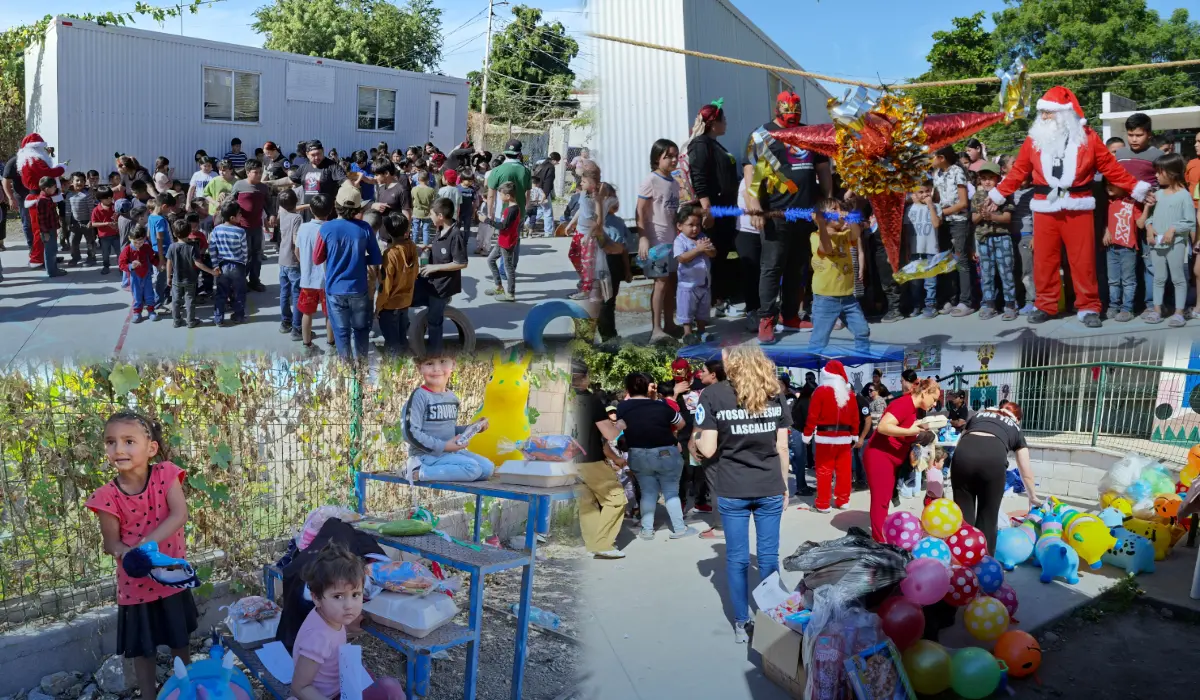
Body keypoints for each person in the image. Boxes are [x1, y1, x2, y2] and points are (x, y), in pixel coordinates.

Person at [989, 88, 1150, 328]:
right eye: (1042, 112)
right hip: (1045, 207)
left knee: (1083, 260)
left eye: (1047, 112)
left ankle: (1088, 307)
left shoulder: (1088, 137)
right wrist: (999, 193)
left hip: (1078, 206)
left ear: (1064, 114)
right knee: (1044, 260)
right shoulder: (1034, 139)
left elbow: (1111, 169)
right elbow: (1019, 170)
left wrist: (1138, 188)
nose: (1042, 117)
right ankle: (1045, 304)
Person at [85, 411, 197, 700]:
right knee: (143, 650)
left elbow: (179, 514)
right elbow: (111, 544)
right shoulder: (106, 496)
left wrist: (146, 546)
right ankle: (149, 695)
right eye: (111, 442)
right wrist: (130, 556)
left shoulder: (167, 474)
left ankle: (188, 688)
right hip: (136, 586)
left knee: (179, 640)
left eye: (128, 441)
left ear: (151, 448)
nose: (118, 449)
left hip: (170, 575)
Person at [695, 346, 790, 643]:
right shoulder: (775, 393)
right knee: (768, 557)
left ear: (732, 361)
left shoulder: (712, 395)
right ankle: (774, 618)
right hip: (769, 485)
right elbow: (782, 447)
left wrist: (695, 437)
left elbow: (708, 449)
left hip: (732, 488)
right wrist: (784, 486)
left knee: (736, 559)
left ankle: (741, 623)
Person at [744, 91, 833, 343]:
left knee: (799, 266)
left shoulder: (811, 134)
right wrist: (754, 208)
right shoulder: (761, 135)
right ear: (777, 111)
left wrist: (826, 201)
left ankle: (790, 315)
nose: (792, 121)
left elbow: (824, 170)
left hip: (805, 214)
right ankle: (766, 319)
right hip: (775, 213)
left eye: (796, 116)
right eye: (788, 117)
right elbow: (751, 174)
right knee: (772, 267)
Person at [291, 543, 405, 700]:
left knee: (374, 678)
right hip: (330, 695)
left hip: (341, 681)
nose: (349, 606)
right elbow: (300, 687)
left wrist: (350, 629)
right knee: (389, 689)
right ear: (316, 598)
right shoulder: (318, 638)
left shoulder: (330, 615)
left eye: (355, 594)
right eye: (338, 596)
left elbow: (333, 644)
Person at [617, 371, 696, 540]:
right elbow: (681, 424)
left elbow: (620, 426)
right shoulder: (662, 406)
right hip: (666, 453)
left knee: (647, 492)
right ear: (649, 387)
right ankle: (679, 529)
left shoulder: (622, 407)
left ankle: (646, 531)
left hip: (637, 454)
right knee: (671, 492)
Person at [951, 404, 1041, 552]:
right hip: (992, 462)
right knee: (988, 517)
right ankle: (984, 565)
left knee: (963, 516)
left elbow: (961, 441)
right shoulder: (1015, 428)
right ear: (1017, 419)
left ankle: (961, 561)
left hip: (962, 458)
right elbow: (1025, 470)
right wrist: (1032, 496)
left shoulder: (977, 416)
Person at [863, 379, 941, 542]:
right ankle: (880, 540)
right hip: (880, 456)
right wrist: (911, 431)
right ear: (925, 392)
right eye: (934, 399)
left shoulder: (914, 408)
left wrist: (919, 435)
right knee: (881, 500)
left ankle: (882, 534)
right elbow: (883, 427)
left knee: (883, 500)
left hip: (891, 457)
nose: (934, 404)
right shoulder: (905, 403)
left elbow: (904, 432)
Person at [312, 183, 382, 361]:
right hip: (359, 288)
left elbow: (317, 259)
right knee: (360, 329)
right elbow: (375, 258)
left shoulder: (326, 228)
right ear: (359, 208)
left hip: (335, 289)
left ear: (336, 206)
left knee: (341, 332)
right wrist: (358, 259)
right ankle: (362, 365)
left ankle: (346, 367)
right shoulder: (365, 228)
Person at [685, 99, 740, 318]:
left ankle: (718, 301)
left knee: (722, 254)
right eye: (723, 120)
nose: (726, 123)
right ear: (713, 123)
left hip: (726, 210)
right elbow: (699, 178)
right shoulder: (700, 144)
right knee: (711, 256)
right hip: (713, 210)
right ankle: (712, 303)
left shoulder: (715, 143)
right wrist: (707, 209)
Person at [570, 360, 628, 559]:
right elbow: (609, 435)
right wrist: (620, 425)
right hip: (590, 461)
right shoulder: (591, 400)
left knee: (587, 503)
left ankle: (593, 543)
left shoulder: (564, 399)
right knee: (616, 499)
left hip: (568, 462)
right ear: (585, 377)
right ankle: (603, 543)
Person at [404, 354, 495, 481]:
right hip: (426, 455)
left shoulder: (452, 397)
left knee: (487, 468)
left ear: (453, 364)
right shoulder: (420, 396)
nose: (437, 369)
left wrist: (472, 428)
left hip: (449, 452)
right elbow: (411, 434)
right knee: (472, 468)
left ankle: (438, 469)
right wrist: (444, 446)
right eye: (429, 363)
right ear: (419, 368)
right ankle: (418, 472)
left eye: (442, 362)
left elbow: (449, 429)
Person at [797, 359, 861, 513]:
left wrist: (807, 435)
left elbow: (812, 416)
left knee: (824, 471)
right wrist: (854, 434)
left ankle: (824, 503)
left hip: (825, 438)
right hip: (845, 438)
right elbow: (855, 417)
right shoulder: (849, 394)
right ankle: (843, 500)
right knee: (844, 471)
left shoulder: (820, 392)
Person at [808, 198, 870, 352]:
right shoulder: (815, 236)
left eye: (840, 208)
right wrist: (822, 225)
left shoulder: (845, 234)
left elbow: (856, 234)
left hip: (848, 296)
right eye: (834, 209)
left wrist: (851, 218)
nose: (839, 212)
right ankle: (814, 365)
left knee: (863, 331)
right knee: (820, 339)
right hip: (825, 298)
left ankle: (863, 357)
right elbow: (827, 249)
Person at [637, 139, 683, 342]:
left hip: (672, 238)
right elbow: (640, 210)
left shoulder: (674, 182)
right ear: (657, 158)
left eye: (676, 156)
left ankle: (670, 324)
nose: (674, 160)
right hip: (656, 238)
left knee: (671, 282)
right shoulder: (651, 180)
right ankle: (656, 329)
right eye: (668, 157)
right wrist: (643, 237)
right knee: (661, 282)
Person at [1144, 153, 1196, 327]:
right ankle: (1157, 309)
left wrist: (1173, 229)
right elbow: (1150, 217)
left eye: (1159, 172)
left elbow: (1189, 221)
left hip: (1177, 244)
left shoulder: (1184, 196)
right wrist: (1149, 228)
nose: (1156, 176)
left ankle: (1179, 312)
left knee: (1178, 278)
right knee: (1159, 277)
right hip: (1156, 244)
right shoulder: (1157, 194)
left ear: (1171, 173)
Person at [412, 198, 468, 353]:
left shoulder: (456, 235)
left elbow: (461, 263)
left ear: (441, 215)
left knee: (434, 321)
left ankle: (434, 354)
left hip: (442, 286)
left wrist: (435, 267)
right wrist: (428, 247)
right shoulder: (440, 228)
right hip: (430, 281)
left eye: (432, 214)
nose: (430, 217)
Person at [971, 163, 1017, 320]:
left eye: (990, 178)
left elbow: (1007, 218)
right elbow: (974, 219)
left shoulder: (1004, 194)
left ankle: (1010, 305)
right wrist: (982, 214)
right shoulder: (977, 196)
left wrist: (992, 217)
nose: (987, 182)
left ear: (997, 179)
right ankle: (989, 305)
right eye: (983, 179)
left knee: (1006, 272)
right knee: (986, 273)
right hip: (984, 239)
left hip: (1002, 237)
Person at [931, 145, 973, 317]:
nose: (929, 160)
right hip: (944, 223)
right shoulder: (937, 174)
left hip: (958, 222)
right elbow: (937, 199)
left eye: (932, 156)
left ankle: (966, 301)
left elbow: (963, 203)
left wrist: (942, 212)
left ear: (941, 158)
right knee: (946, 261)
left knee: (961, 260)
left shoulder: (957, 172)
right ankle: (950, 298)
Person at [16, 134, 66, 269]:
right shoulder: (34, 160)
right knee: (41, 231)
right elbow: (48, 173)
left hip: (39, 197)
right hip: (39, 198)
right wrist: (61, 168)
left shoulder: (28, 160)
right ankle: (38, 259)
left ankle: (48, 256)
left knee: (48, 229)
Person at [296, 194, 335, 353]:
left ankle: (307, 345)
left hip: (308, 279)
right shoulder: (331, 228)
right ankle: (331, 345)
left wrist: (305, 265)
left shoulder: (303, 228)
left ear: (310, 209)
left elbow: (297, 251)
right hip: (328, 280)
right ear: (331, 210)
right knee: (330, 314)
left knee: (307, 313)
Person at [376, 212, 419, 356]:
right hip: (405, 302)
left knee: (392, 344)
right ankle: (405, 368)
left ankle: (394, 373)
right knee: (402, 339)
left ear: (388, 232)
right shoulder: (411, 247)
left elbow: (385, 285)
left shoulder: (390, 254)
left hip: (390, 305)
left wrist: (378, 307)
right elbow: (416, 272)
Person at [673, 202, 716, 343]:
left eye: (697, 225)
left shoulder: (702, 237)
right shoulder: (680, 241)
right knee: (687, 309)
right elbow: (682, 258)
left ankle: (702, 331)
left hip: (703, 283)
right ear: (680, 226)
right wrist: (698, 249)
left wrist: (706, 248)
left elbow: (713, 253)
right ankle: (687, 333)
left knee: (703, 310)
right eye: (690, 225)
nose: (695, 228)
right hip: (687, 284)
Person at [1103, 178, 1143, 322]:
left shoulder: (1132, 203)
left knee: (1128, 281)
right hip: (1111, 247)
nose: (1109, 186)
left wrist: (1148, 208)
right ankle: (1114, 305)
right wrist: (1106, 231)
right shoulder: (1109, 203)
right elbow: (1108, 222)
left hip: (1128, 248)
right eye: (1107, 184)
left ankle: (1127, 308)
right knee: (1113, 280)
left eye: (1112, 184)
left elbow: (1140, 223)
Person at [165, 219, 215, 328]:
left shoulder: (172, 247)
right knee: (190, 301)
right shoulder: (193, 247)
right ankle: (191, 321)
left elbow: (169, 263)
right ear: (189, 232)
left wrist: (168, 277)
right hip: (190, 280)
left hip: (176, 280)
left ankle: (177, 320)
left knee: (176, 301)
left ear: (174, 233)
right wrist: (211, 271)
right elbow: (198, 263)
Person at [904, 181, 942, 318]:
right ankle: (916, 305)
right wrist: (908, 248)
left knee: (930, 280)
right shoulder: (909, 209)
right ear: (914, 194)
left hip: (931, 249)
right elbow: (907, 231)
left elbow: (936, 224)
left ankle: (930, 305)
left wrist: (930, 205)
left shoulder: (936, 206)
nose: (925, 194)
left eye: (927, 191)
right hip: (916, 250)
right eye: (921, 192)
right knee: (916, 280)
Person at [209, 200, 250, 327]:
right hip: (237, 266)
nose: (241, 216)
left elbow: (212, 249)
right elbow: (244, 251)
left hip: (222, 265)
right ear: (232, 217)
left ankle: (218, 318)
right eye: (239, 214)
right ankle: (238, 316)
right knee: (239, 292)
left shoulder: (216, 230)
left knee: (221, 293)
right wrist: (244, 263)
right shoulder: (240, 231)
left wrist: (215, 265)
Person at [275, 188, 304, 337]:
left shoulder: (283, 213)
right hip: (293, 260)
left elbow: (287, 205)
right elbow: (295, 241)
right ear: (296, 201)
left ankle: (285, 321)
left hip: (282, 260)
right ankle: (297, 327)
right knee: (297, 294)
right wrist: (302, 261)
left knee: (284, 293)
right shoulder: (297, 218)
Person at [487, 182, 521, 302]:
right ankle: (498, 286)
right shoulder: (509, 208)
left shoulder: (512, 210)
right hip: (502, 240)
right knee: (490, 260)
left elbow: (503, 226)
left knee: (508, 267)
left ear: (508, 196)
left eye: (501, 195)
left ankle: (510, 293)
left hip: (507, 242)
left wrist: (487, 220)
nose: (500, 197)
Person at [31, 176, 67, 278]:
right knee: (50, 251)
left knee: (53, 249)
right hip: (47, 230)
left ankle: (54, 268)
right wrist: (45, 232)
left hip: (51, 228)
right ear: (47, 188)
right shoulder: (43, 200)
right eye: (54, 187)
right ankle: (52, 271)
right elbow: (41, 219)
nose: (55, 189)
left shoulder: (47, 198)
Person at [91, 187, 120, 274]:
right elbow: (93, 224)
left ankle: (122, 267)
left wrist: (117, 224)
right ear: (100, 199)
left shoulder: (115, 207)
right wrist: (106, 224)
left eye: (111, 197)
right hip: (104, 236)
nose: (109, 200)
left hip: (116, 235)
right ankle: (106, 266)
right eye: (107, 198)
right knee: (105, 253)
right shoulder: (96, 210)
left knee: (120, 252)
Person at [410, 167, 436, 245]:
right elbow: (433, 202)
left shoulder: (414, 189)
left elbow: (411, 200)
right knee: (426, 229)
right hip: (427, 212)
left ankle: (414, 243)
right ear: (428, 179)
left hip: (416, 212)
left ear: (418, 179)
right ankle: (426, 245)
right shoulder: (431, 190)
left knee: (415, 229)